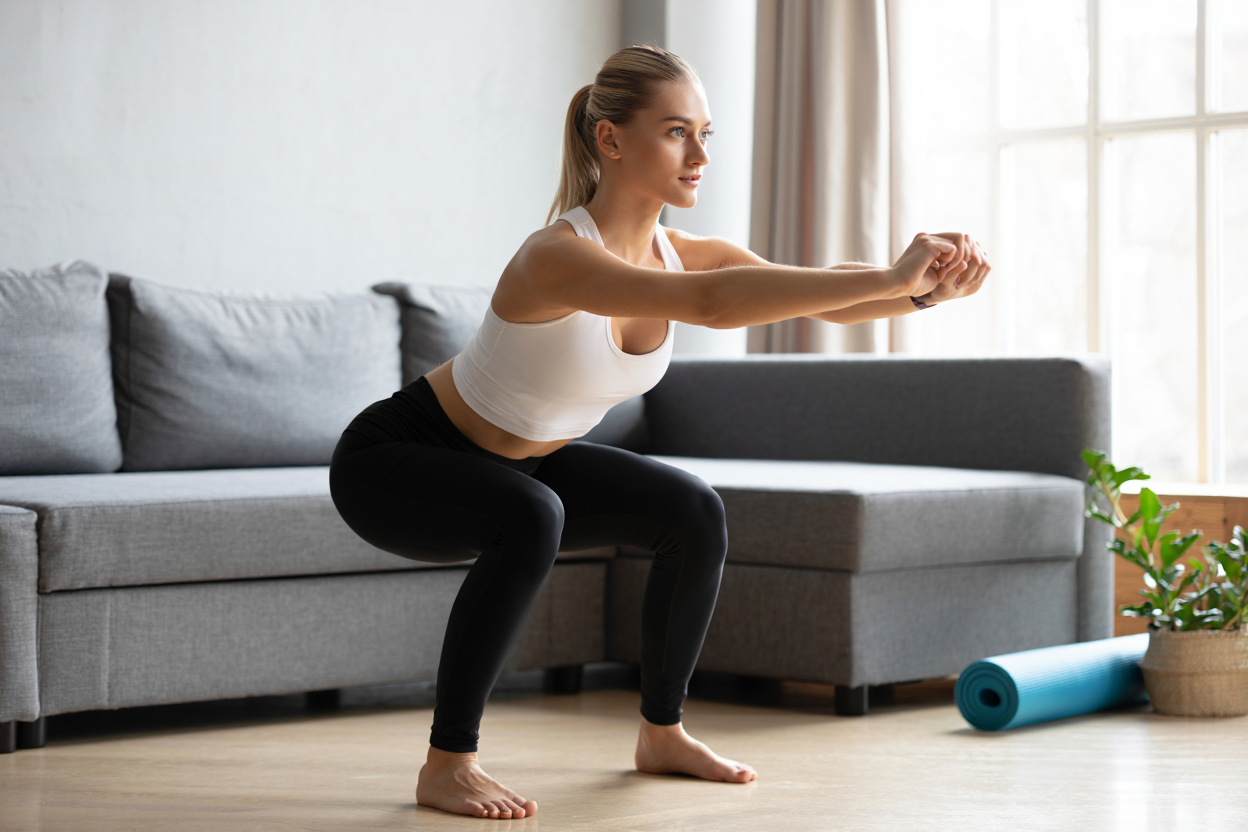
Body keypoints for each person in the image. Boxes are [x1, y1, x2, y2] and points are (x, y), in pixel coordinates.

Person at [328, 44, 990, 821]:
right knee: (531, 511)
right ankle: (448, 763)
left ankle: (662, 733)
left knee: (690, 509)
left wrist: (916, 293)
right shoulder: (557, 256)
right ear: (611, 140)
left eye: (706, 132)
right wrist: (890, 277)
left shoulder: (682, 251)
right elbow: (711, 303)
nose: (701, 154)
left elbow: (820, 297)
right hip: (397, 463)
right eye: (678, 131)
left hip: (525, 467)